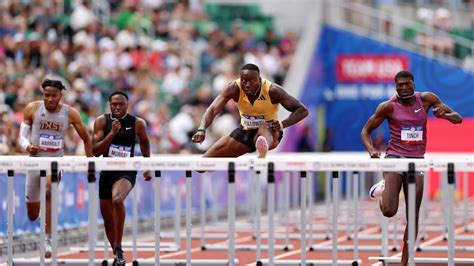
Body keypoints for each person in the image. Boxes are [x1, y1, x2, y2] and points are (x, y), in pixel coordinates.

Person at [361, 70, 462, 266]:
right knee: (389, 211)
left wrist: (446, 115)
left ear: (414, 85)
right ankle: (384, 189)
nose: (404, 88)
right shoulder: (388, 107)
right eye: (400, 85)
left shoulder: (427, 99)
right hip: (394, 158)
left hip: (417, 161)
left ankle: (405, 262)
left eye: (407, 84)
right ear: (395, 87)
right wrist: (371, 150)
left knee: (413, 215)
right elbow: (366, 131)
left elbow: (457, 118)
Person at [19, 79, 93, 258]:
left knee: (49, 191)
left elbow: (87, 139)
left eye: (54, 96)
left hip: (55, 162)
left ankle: (48, 238)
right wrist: (28, 146)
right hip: (35, 163)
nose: (50, 99)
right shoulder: (32, 109)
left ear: (61, 95)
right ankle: (43, 219)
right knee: (31, 214)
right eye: (46, 95)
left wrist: (91, 164)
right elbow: (21, 137)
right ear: (42, 94)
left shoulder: (70, 113)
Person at [191, 63, 308, 158]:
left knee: (264, 128)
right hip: (245, 131)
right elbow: (212, 109)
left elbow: (302, 110)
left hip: (270, 132)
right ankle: (259, 145)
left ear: (260, 80)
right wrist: (202, 129)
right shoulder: (233, 88)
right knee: (205, 162)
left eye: (252, 81)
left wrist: (282, 124)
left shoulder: (272, 90)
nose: (247, 85)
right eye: (244, 80)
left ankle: (262, 148)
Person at [92, 90, 151, 265]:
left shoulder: (137, 123)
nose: (117, 107)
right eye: (114, 104)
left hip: (126, 170)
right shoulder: (102, 121)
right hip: (106, 172)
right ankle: (117, 253)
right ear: (109, 105)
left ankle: (118, 248)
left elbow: (145, 142)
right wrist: (111, 133)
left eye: (121, 104)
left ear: (127, 105)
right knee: (108, 221)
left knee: (118, 200)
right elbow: (95, 152)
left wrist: (147, 166)